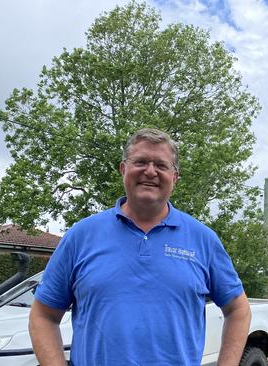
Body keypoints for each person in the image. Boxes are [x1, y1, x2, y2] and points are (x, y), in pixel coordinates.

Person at [29, 128, 251, 366]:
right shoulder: (81, 236)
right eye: (141, 162)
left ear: (175, 177)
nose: (150, 171)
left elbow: (238, 310)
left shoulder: (203, 240)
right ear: (123, 169)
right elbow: (43, 315)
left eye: (161, 165)